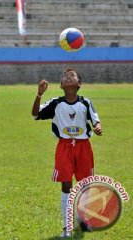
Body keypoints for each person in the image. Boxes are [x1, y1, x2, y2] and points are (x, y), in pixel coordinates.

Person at [31, 68, 103, 238]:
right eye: (65, 76)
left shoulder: (85, 102)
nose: (68, 76)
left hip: (83, 147)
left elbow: (95, 119)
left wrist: (98, 126)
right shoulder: (56, 103)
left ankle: (83, 219)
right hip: (64, 147)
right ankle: (67, 226)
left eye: (72, 75)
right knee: (65, 185)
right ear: (61, 85)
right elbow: (35, 114)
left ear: (79, 84)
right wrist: (39, 95)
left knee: (85, 185)